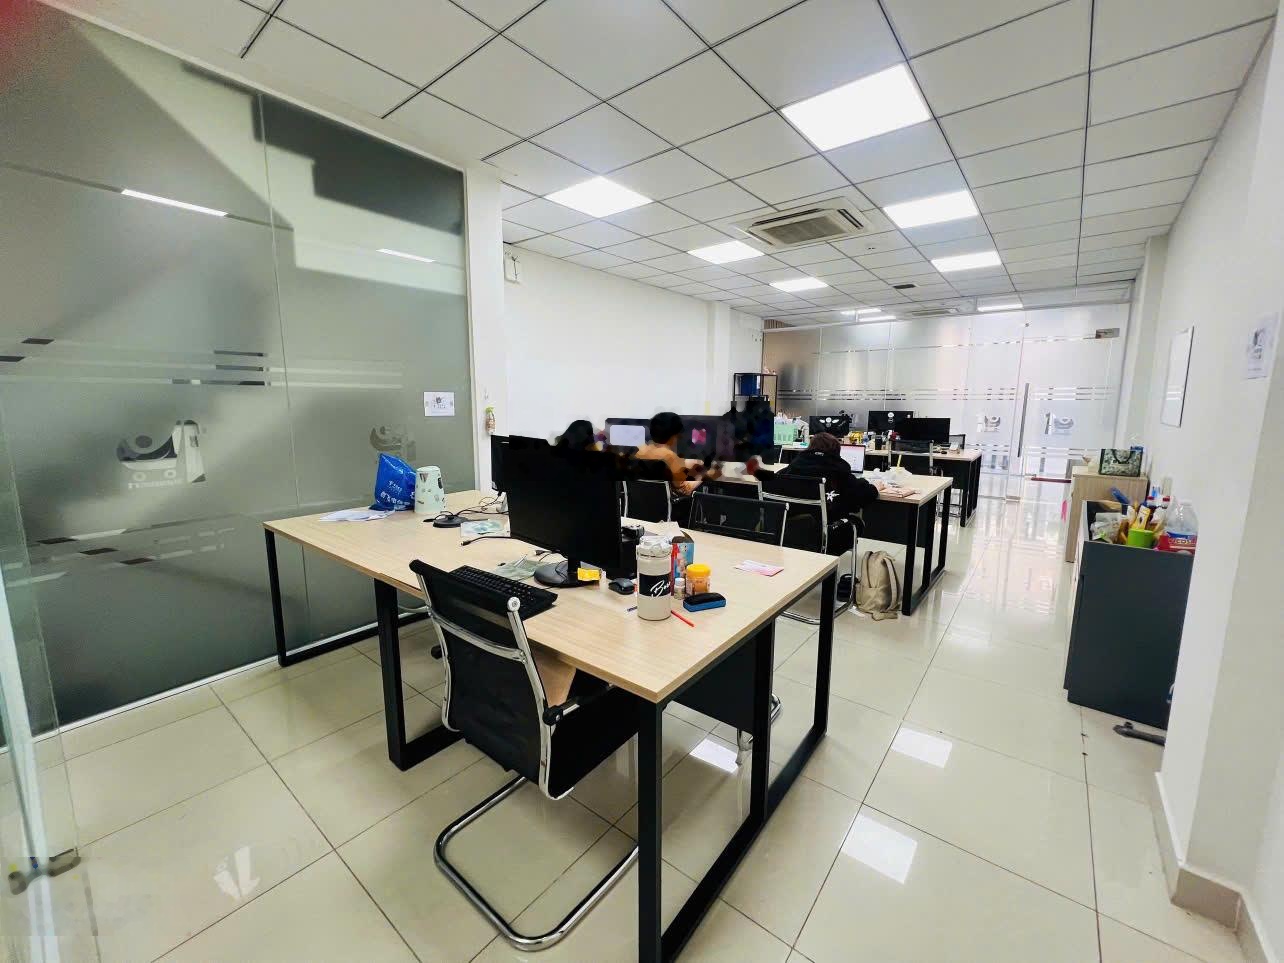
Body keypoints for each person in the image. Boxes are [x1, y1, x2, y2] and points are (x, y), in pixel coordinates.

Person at [780, 432, 883, 601]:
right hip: (824, 538)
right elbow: (862, 496)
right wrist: (875, 487)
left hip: (787, 536)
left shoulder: (788, 470)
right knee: (857, 522)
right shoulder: (839, 472)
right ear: (836, 452)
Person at [634, 411, 703, 496]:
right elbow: (683, 489)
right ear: (675, 435)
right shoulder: (669, 456)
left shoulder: (640, 452)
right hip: (665, 502)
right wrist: (701, 476)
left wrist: (684, 462)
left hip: (641, 499)